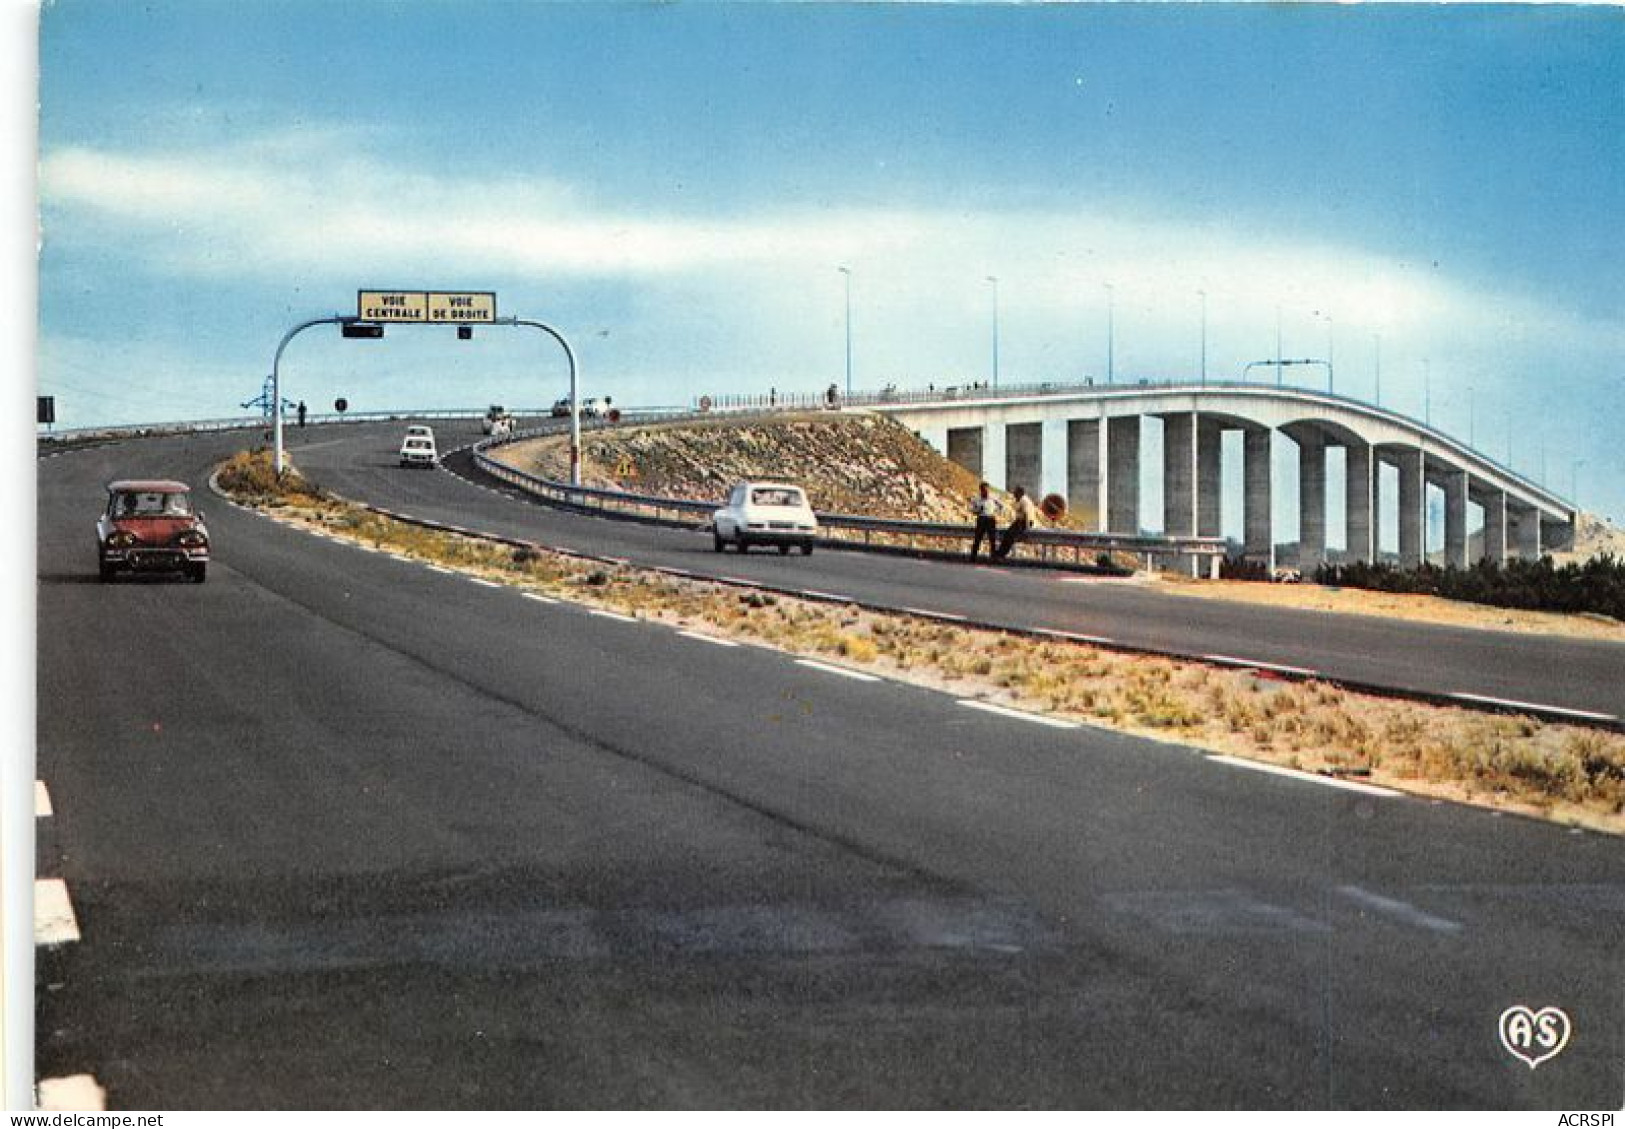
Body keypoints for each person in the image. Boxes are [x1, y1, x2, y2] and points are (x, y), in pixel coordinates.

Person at [994, 486, 1038, 559]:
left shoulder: (1024, 500)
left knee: (1009, 536)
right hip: (1021, 521)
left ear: (1020, 493)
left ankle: (1001, 554)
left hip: (1023, 522)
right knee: (1008, 535)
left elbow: (1027, 514)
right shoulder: (1022, 499)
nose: (1014, 494)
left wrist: (1027, 528)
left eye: (1015, 492)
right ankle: (1001, 553)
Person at [968, 481, 999, 560]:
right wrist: (977, 510)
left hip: (991, 519)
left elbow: (1001, 506)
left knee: (992, 539)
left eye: (987, 490)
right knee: (978, 538)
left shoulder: (993, 497)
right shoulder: (976, 499)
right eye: (984, 490)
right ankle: (973, 557)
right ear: (981, 490)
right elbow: (971, 508)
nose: (986, 492)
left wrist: (995, 511)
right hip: (981, 518)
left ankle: (993, 557)